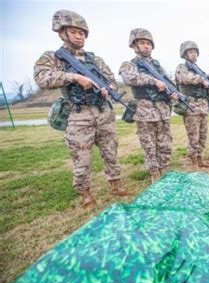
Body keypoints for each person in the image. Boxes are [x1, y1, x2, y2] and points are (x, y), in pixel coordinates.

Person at [34, 10, 128, 211]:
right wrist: (74, 77)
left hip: (103, 111)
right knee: (81, 158)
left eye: (82, 33)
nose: (79, 36)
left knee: (110, 151)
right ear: (62, 32)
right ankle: (85, 194)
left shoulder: (95, 60)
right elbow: (42, 78)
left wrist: (109, 88)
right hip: (78, 115)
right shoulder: (53, 57)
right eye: (74, 32)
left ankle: (116, 185)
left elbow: (111, 80)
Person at [119, 28, 178, 182]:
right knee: (149, 146)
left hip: (162, 110)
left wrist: (173, 93)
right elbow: (128, 78)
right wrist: (152, 80)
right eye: (142, 43)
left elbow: (167, 82)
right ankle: (154, 174)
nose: (146, 46)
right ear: (134, 46)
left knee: (165, 143)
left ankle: (165, 171)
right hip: (145, 111)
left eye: (148, 44)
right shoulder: (129, 64)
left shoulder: (158, 66)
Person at [175, 41, 209, 169]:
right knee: (193, 136)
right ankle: (193, 161)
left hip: (203, 106)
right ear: (184, 54)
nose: (194, 54)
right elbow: (185, 78)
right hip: (191, 107)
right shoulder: (182, 67)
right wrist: (202, 79)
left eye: (195, 52)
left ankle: (200, 158)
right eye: (191, 52)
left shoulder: (198, 69)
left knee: (203, 135)